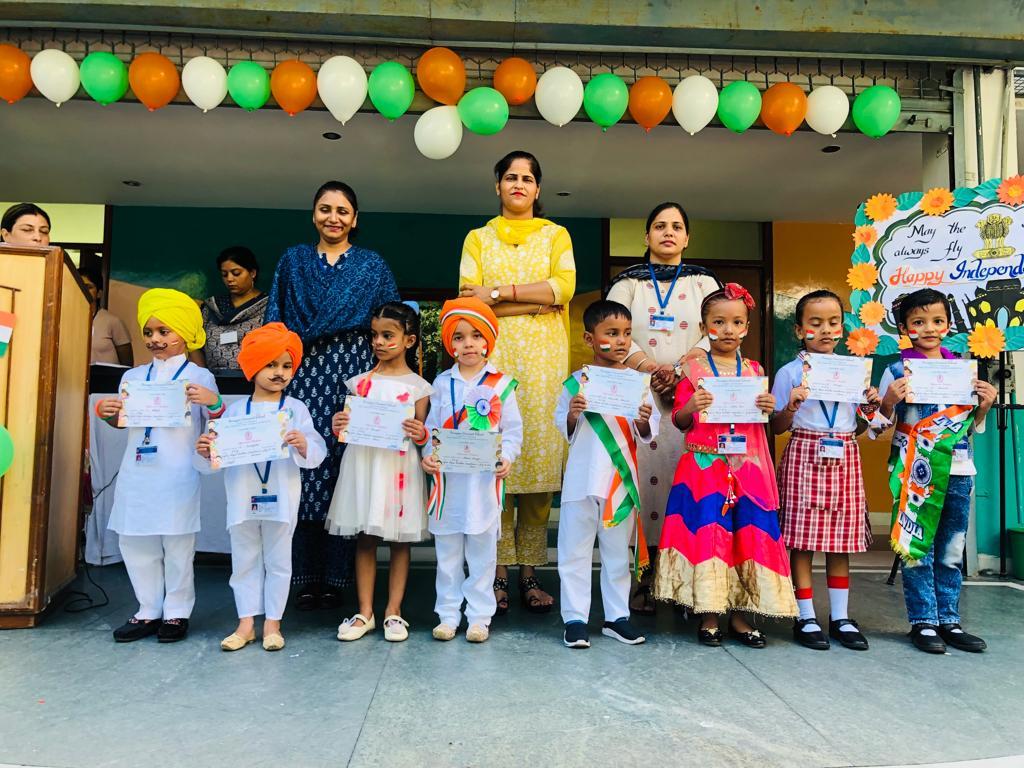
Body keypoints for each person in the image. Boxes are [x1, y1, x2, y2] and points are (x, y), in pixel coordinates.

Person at [265, 181, 400, 610]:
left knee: (347, 468)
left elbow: (391, 323)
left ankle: (340, 578)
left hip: (354, 375)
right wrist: (275, 372)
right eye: (325, 209)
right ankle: (305, 578)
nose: (333, 218)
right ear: (314, 214)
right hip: (302, 373)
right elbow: (274, 320)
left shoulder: (372, 265)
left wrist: (387, 379)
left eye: (342, 211)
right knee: (304, 468)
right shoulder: (293, 260)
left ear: (355, 219)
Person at [458, 150, 575, 614]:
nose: (519, 184)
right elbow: (470, 301)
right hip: (494, 360)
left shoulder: (555, 235)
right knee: (497, 466)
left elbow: (564, 287)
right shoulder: (478, 238)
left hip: (545, 367)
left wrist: (500, 294)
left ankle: (529, 574)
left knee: (539, 472)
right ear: (498, 186)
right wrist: (536, 302)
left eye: (527, 178)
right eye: (510, 177)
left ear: (537, 188)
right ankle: (498, 575)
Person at [654, 283, 797, 647]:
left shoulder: (754, 370)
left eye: (736, 322)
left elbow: (763, 421)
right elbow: (680, 421)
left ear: (746, 327)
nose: (728, 329)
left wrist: (768, 408)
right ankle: (709, 614)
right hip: (704, 468)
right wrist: (690, 406)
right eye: (719, 322)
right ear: (704, 327)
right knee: (710, 536)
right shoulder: (691, 370)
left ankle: (740, 616)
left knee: (745, 537)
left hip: (747, 468)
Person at [606, 202, 722, 614]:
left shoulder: (705, 282)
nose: (668, 232)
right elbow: (613, 331)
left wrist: (678, 372)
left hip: (692, 394)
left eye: (676, 226)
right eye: (659, 226)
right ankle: (644, 576)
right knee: (642, 485)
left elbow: (716, 329)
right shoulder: (628, 284)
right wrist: (653, 369)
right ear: (647, 236)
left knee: (687, 484)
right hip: (640, 394)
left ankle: (687, 584)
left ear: (687, 237)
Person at [94, 288, 225, 643]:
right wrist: (107, 414)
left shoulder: (200, 377)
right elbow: (124, 423)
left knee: (178, 545)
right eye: (149, 332)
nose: (155, 339)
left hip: (178, 473)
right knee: (135, 540)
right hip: (137, 472)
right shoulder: (132, 378)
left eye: (164, 331)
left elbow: (217, 427)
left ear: (184, 333)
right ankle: (147, 610)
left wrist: (214, 403)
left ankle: (177, 612)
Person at [876, 288, 996, 654]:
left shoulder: (963, 370)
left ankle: (950, 620)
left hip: (958, 469)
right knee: (917, 547)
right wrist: (888, 402)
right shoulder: (896, 370)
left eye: (937, 321)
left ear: (948, 325)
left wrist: (984, 406)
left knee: (952, 548)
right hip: (914, 472)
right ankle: (923, 621)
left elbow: (971, 429)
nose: (929, 328)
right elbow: (877, 428)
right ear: (904, 328)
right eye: (919, 322)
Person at [196, 322, 326, 652]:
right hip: (243, 498)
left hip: (281, 498)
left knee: (279, 561)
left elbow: (316, 450)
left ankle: (272, 624)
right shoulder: (236, 411)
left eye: (286, 366)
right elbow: (217, 458)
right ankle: (245, 624)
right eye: (270, 364)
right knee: (244, 560)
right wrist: (208, 451)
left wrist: (303, 444)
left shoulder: (295, 409)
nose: (279, 373)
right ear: (253, 366)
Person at [771, 290, 883, 651]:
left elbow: (860, 427)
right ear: (798, 330)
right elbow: (777, 427)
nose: (825, 330)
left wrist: (870, 407)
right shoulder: (789, 372)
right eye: (815, 323)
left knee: (840, 542)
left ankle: (840, 618)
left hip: (845, 453)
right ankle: (805, 616)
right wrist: (790, 406)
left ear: (843, 327)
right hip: (804, 450)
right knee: (801, 541)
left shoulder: (854, 371)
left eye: (833, 322)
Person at [555, 300, 658, 649]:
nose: (621, 341)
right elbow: (562, 425)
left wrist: (643, 419)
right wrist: (572, 414)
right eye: (611, 333)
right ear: (589, 338)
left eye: (626, 333)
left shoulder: (639, 383)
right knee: (574, 551)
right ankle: (575, 619)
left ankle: (617, 617)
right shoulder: (575, 383)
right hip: (581, 479)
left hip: (619, 480)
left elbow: (649, 431)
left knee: (616, 553)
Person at [327, 302, 432, 643]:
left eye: (388, 335)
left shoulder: (419, 387)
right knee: (365, 537)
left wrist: (420, 433)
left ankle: (393, 611)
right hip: (365, 465)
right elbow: (348, 427)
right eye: (374, 335)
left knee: (400, 541)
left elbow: (424, 433)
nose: (379, 342)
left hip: (399, 467)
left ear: (409, 340)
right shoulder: (359, 384)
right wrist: (340, 424)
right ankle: (365, 612)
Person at [421, 298, 523, 643]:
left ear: (488, 342)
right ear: (450, 344)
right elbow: (431, 429)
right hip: (448, 484)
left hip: (482, 485)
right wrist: (428, 455)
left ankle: (479, 617)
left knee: (482, 555)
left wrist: (506, 457)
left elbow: (512, 431)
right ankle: (448, 615)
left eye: (476, 336)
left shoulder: (502, 384)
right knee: (448, 554)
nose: (468, 343)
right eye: (459, 337)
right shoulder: (440, 383)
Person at [200, 246, 269, 373]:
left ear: (252, 273)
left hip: (256, 380)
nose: (229, 279)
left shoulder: (269, 307)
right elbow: (196, 345)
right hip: (214, 380)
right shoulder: (211, 307)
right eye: (224, 274)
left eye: (236, 273)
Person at [79, 264, 133, 367]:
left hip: (106, 377)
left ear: (99, 293)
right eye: (79, 286)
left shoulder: (112, 321)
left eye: (88, 287)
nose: (83, 290)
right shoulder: (65, 319)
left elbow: (127, 365)